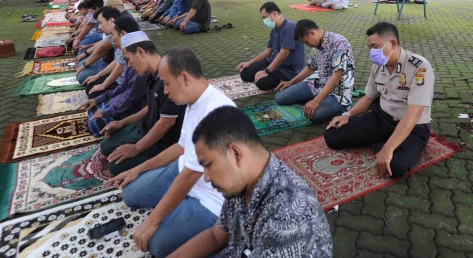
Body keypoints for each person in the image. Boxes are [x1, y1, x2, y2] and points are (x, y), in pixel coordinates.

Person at [106, 47, 236, 258]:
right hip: (184, 171)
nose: (165, 91)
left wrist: (153, 220)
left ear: (184, 77)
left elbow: (190, 175)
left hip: (211, 198)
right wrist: (138, 169)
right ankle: (179, 209)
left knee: (156, 245)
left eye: (166, 83)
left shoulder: (217, 111)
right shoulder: (193, 102)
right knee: (130, 194)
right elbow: (181, 147)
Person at [169, 106, 333, 258]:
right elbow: (216, 236)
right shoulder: (243, 180)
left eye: (208, 165)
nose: (206, 177)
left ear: (235, 154)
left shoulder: (288, 221)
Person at [325, 22, 434, 178]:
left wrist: (388, 149)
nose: (372, 52)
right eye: (370, 48)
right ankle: (383, 140)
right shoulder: (378, 65)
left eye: (375, 46)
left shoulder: (420, 67)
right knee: (331, 136)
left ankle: (385, 142)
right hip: (381, 118)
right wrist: (347, 115)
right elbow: (369, 97)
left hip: (412, 125)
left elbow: (414, 113)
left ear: (393, 43)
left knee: (395, 167)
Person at [99, 32, 186, 176]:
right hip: (145, 126)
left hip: (163, 141)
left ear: (140, 52)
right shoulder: (151, 74)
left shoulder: (168, 79)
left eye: (128, 59)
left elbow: (166, 122)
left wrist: (136, 148)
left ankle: (167, 163)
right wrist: (122, 122)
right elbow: (150, 106)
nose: (129, 65)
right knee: (105, 146)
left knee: (114, 167)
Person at [275, 19, 355, 123]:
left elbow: (337, 76)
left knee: (313, 115)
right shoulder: (317, 44)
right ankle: (314, 99)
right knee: (280, 98)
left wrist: (316, 101)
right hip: (318, 85)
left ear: (311, 33)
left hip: (337, 93)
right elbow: (310, 67)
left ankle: (339, 107)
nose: (307, 46)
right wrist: (291, 82)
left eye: (306, 42)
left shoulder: (339, 43)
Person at [81, 14, 149, 136]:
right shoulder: (130, 53)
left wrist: (108, 112)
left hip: (138, 109)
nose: (112, 39)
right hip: (133, 103)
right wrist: (99, 100)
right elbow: (125, 86)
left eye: (114, 35)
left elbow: (132, 97)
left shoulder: (141, 65)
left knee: (95, 125)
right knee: (93, 111)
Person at [237, 2, 304, 90]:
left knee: (262, 82)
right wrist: (250, 62)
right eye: (263, 18)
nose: (264, 20)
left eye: (265, 17)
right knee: (245, 74)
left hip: (288, 68)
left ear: (274, 13)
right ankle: (269, 71)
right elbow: (268, 51)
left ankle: (288, 79)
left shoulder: (289, 27)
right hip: (273, 61)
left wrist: (266, 71)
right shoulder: (274, 30)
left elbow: (284, 53)